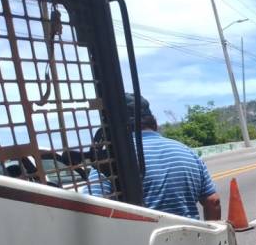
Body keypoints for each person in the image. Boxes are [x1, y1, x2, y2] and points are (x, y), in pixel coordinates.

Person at [86, 94, 221, 221]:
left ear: (113, 128)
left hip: (139, 244)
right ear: (154, 123)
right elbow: (213, 202)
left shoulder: (109, 161)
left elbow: (91, 210)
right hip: (190, 242)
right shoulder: (187, 152)